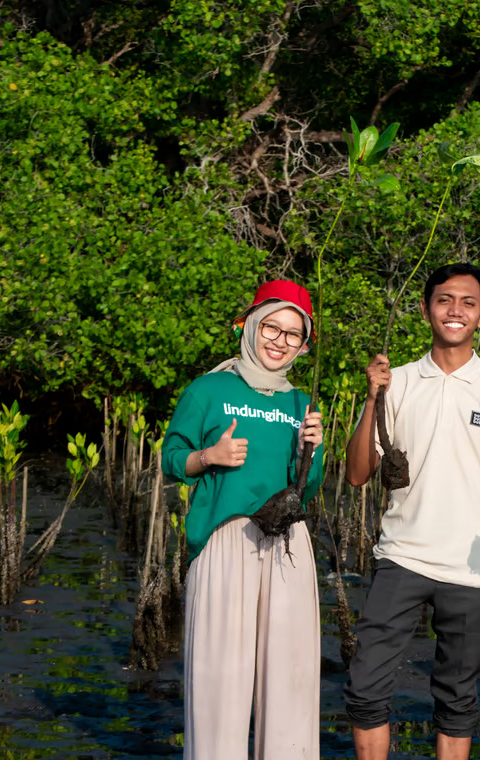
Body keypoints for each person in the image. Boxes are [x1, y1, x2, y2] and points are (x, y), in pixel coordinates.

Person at [343, 262, 480, 760]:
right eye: (445, 300)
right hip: (401, 556)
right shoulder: (397, 381)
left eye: (468, 303)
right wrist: (372, 400)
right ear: (427, 309)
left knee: (457, 701)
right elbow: (359, 473)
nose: (455, 311)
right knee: (364, 688)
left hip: (474, 571)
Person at [161, 279, 325, 759]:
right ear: (251, 325)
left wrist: (312, 453)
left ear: (303, 344)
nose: (279, 340)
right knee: (221, 678)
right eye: (271, 327)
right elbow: (172, 458)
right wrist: (208, 455)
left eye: (293, 334)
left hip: (289, 548)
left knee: (291, 678)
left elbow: (307, 490)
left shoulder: (302, 403)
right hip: (226, 541)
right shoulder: (209, 389)